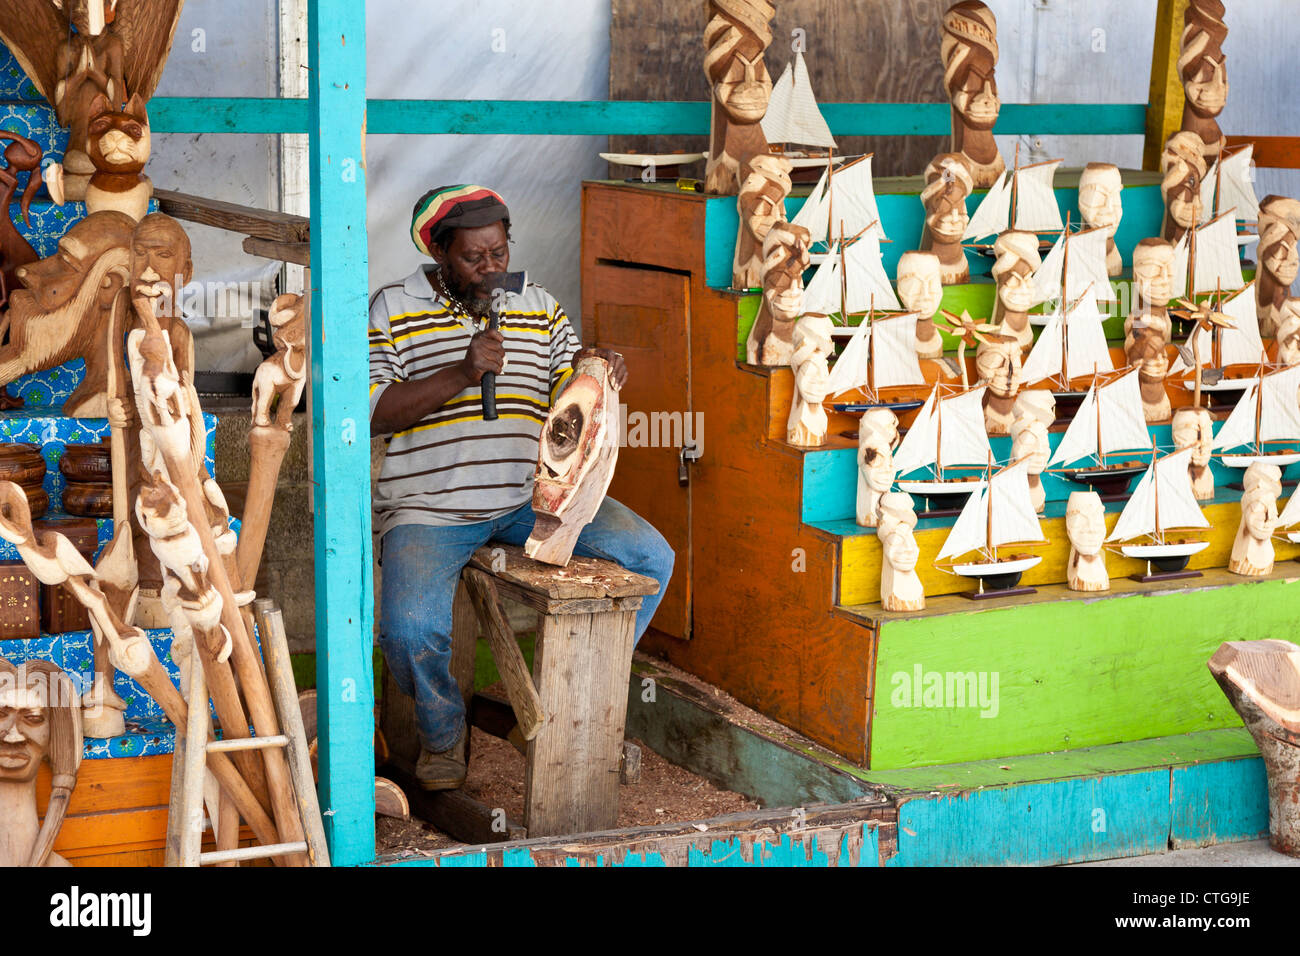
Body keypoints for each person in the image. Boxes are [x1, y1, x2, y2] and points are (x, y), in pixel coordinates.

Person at [368, 185, 674, 790]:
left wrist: (597, 369)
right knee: (406, 630)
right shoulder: (390, 308)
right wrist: (463, 370)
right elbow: (377, 411)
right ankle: (443, 733)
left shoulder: (538, 305)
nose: (490, 270)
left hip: (532, 501)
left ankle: (564, 710)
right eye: (472, 259)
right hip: (429, 509)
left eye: (499, 254)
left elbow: (570, 394)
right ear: (438, 252)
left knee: (651, 557)